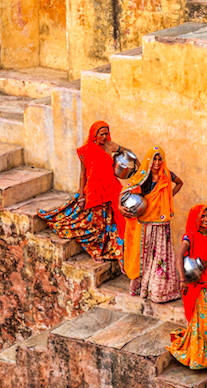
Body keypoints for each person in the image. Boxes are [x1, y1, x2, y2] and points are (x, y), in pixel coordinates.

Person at [39, 121, 131, 262]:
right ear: (94, 135)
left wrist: (135, 163)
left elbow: (127, 152)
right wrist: (81, 195)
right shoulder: (86, 150)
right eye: (101, 134)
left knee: (110, 224)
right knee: (95, 225)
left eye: (106, 133)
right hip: (94, 190)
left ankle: (111, 250)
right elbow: (83, 174)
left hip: (111, 189)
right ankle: (95, 251)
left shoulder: (110, 146)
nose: (104, 137)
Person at [167, 204, 207, 369]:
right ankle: (199, 357)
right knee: (201, 318)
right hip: (196, 283)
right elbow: (179, 256)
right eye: (203, 216)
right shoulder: (190, 237)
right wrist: (182, 280)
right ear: (196, 218)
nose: (206, 219)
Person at [120, 147, 183, 302]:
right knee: (145, 257)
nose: (156, 162)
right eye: (154, 159)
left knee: (161, 256)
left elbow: (180, 183)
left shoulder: (167, 175)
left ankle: (159, 290)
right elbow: (124, 192)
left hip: (162, 223)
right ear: (149, 159)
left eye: (159, 159)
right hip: (146, 223)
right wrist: (120, 207)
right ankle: (143, 287)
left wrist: (167, 199)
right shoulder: (144, 176)